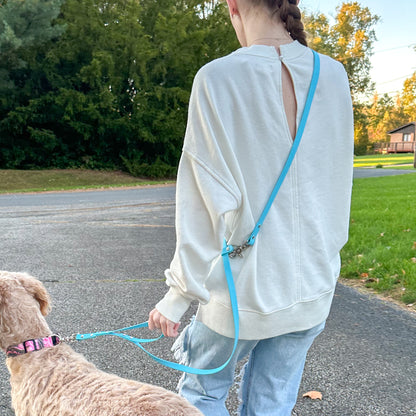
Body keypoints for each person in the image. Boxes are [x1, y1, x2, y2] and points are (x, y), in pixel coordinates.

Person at [148, 0, 354, 414]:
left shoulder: (217, 78)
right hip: (313, 284)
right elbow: (336, 180)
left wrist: (179, 294)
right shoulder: (333, 74)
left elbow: (201, 201)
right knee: (273, 401)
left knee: (203, 396)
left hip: (242, 290)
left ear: (233, 7)